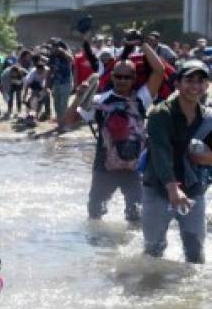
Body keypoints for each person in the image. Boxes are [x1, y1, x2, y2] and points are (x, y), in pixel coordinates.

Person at [63, 59, 162, 222]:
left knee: (136, 216)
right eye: (118, 76)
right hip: (104, 167)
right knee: (95, 215)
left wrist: (142, 42)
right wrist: (78, 97)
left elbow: (159, 70)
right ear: (112, 77)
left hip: (134, 168)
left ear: (134, 78)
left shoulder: (142, 99)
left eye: (127, 77)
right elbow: (67, 122)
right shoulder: (98, 101)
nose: (122, 80)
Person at [141, 60, 212, 264]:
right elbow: (161, 154)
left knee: (196, 256)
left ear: (207, 86)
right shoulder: (159, 114)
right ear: (177, 84)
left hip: (194, 190)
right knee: (153, 253)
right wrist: (173, 189)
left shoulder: (208, 118)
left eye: (201, 81)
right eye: (189, 80)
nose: (195, 86)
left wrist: (207, 157)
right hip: (158, 189)